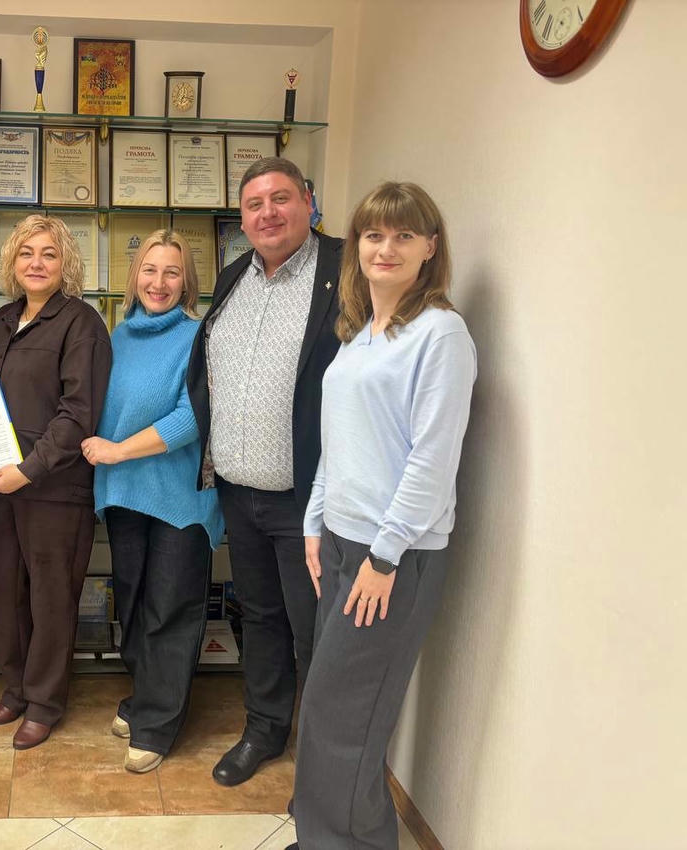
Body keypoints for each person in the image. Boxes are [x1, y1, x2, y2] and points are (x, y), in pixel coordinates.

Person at [290, 182, 476, 849]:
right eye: (373, 234)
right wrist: (314, 524)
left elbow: (432, 459)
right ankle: (324, 837)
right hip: (343, 543)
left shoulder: (441, 334)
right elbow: (338, 443)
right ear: (356, 247)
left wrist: (384, 555)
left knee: (345, 717)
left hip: (393, 557)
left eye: (403, 235)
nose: (385, 247)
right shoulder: (359, 336)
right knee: (328, 709)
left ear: (430, 247)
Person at [186, 156, 343, 786]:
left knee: (316, 630)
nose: (268, 213)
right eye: (254, 204)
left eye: (281, 198)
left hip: (307, 499)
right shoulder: (234, 276)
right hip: (238, 490)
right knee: (260, 618)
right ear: (242, 218)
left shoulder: (344, 271)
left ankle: (328, 762)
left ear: (308, 201)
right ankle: (264, 730)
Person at [80, 230, 224, 773]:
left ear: (187, 281)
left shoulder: (200, 337)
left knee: (171, 608)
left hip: (179, 499)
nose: (158, 282)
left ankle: (157, 726)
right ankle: (147, 698)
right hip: (124, 496)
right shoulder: (118, 336)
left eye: (171, 272)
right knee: (137, 603)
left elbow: (193, 417)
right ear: (134, 276)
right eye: (149, 269)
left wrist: (118, 451)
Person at [0, 214, 111, 750]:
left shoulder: (81, 324)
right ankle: (15, 689)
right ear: (12, 262)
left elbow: (79, 412)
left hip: (54, 487)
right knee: (4, 591)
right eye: (27, 252)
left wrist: (27, 470)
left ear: (65, 263)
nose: (37, 263)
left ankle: (46, 702)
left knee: (51, 598)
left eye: (49, 253)